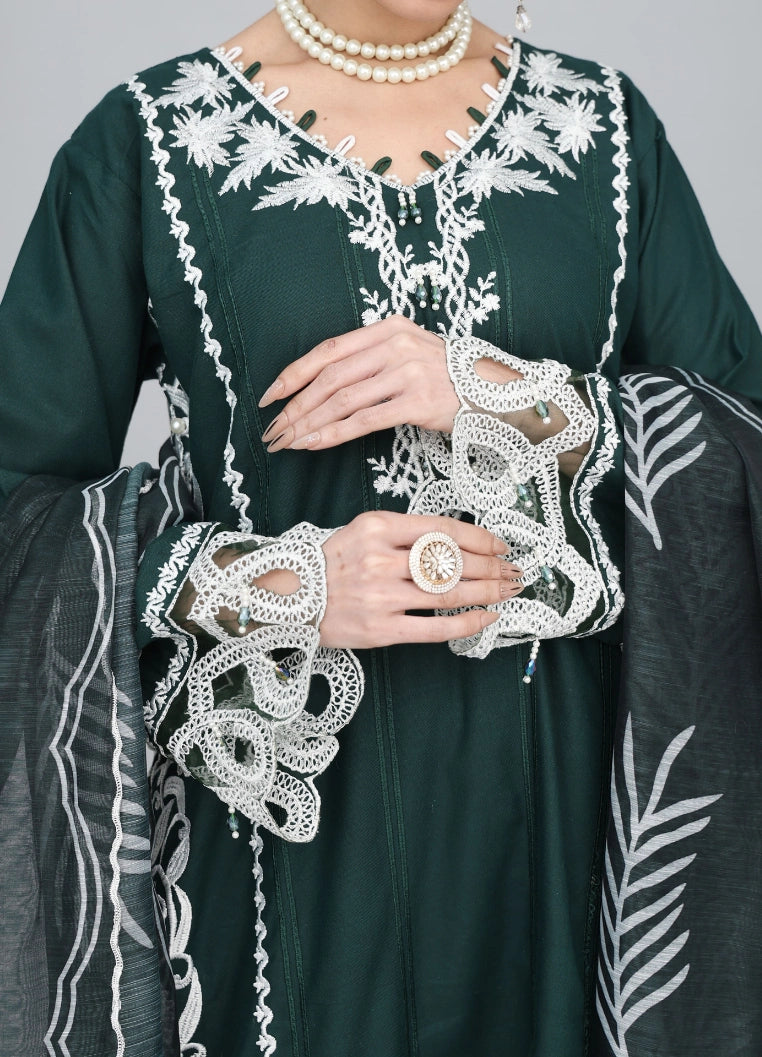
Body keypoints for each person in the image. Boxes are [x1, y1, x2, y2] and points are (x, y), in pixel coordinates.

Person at [1, 2, 761, 1056]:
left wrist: (498, 392)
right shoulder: (151, 139)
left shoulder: (603, 129)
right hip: (288, 840)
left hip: (562, 834)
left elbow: (741, 450)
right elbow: (19, 515)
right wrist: (285, 584)